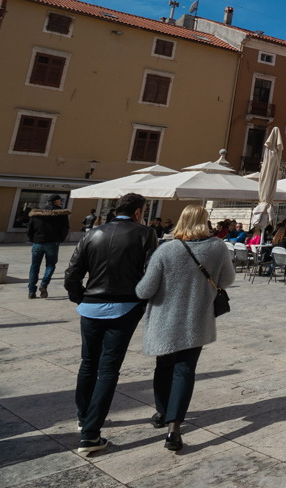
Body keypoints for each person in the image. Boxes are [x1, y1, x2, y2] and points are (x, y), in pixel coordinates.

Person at [63, 192, 158, 455]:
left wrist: (80, 297)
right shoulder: (145, 234)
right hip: (125, 307)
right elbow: (151, 274)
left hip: (90, 306)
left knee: (88, 363)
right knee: (108, 369)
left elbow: (72, 273)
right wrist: (142, 301)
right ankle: (90, 435)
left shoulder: (91, 234)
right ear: (139, 212)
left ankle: (84, 418)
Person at [135, 204, 233, 452]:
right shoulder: (218, 247)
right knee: (185, 370)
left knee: (164, 367)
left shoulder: (166, 250)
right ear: (206, 221)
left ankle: (162, 411)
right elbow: (227, 280)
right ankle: (174, 428)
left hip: (164, 320)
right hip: (196, 320)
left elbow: (144, 290)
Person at [27, 194, 70, 299]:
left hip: (38, 242)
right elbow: (65, 228)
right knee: (50, 265)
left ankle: (31, 291)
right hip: (53, 242)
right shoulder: (61, 214)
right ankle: (44, 284)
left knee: (34, 266)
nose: (61, 202)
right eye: (60, 201)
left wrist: (33, 239)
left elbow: (30, 229)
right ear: (55, 202)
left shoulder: (37, 213)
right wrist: (61, 239)